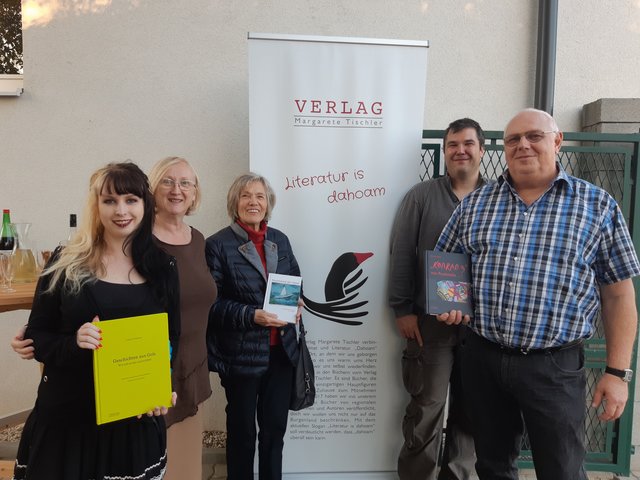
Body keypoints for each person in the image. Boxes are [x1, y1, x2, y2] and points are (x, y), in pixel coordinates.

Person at [435, 108, 640, 480]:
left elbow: (619, 296)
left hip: (554, 368)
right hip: (484, 358)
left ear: (557, 141)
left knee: (561, 469)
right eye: (513, 139)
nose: (522, 145)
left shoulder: (597, 206)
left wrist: (616, 373)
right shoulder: (476, 205)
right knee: (492, 466)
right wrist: (450, 302)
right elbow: (447, 259)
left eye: (534, 136)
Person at [12, 162, 180, 480]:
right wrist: (74, 342)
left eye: (131, 200)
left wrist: (161, 388)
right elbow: (38, 337)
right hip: (68, 418)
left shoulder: (163, 267)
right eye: (109, 200)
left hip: (133, 422)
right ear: (96, 206)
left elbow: (171, 340)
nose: (121, 210)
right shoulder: (66, 260)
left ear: (145, 204)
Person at [389, 118, 486, 480]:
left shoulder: (497, 199)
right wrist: (402, 309)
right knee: (427, 406)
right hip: (429, 325)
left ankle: (460, 475)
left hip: (483, 329)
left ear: (481, 149)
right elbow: (401, 254)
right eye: (453, 144)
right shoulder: (421, 196)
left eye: (468, 143)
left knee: (472, 410)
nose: (460, 150)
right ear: (444, 151)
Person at [205, 172, 301, 480]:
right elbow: (212, 305)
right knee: (242, 436)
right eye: (246, 196)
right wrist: (252, 315)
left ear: (268, 203)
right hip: (241, 357)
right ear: (235, 202)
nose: (253, 202)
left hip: (281, 353)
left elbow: (294, 282)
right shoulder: (217, 245)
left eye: (259, 196)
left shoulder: (280, 240)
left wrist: (297, 303)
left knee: (274, 434)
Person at [148, 156, 218, 480]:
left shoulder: (198, 239)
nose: (177, 189)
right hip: (150, 371)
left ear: (194, 193)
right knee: (149, 464)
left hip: (192, 368)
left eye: (185, 183)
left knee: (186, 466)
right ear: (154, 188)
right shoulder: (139, 240)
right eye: (167, 181)